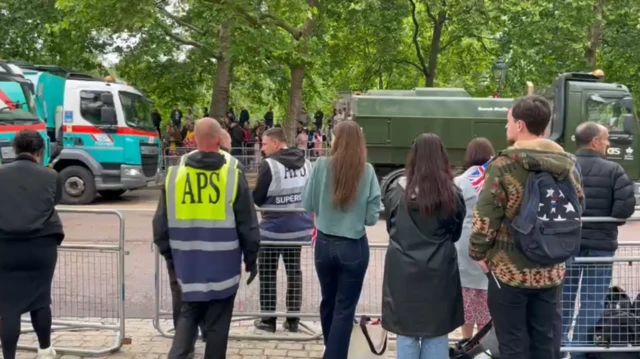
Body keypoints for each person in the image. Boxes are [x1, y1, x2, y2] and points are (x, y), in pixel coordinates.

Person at [469, 95, 584, 359]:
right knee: (546, 341)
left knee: (512, 342)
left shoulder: (504, 165)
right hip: (551, 270)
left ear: (520, 125)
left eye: (508, 121)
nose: (506, 126)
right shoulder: (568, 166)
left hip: (510, 271)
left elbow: (486, 215)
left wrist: (478, 252)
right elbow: (578, 207)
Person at [153, 117, 260, 359]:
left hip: (188, 266)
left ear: (194, 140)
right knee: (218, 326)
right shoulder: (232, 174)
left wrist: (171, 257)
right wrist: (252, 258)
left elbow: (159, 225)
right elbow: (248, 224)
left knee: (188, 315)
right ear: (219, 140)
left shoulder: (174, 176)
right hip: (224, 266)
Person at [382, 133, 466, 358]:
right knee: (436, 332)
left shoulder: (397, 192)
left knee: (406, 332)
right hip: (439, 271)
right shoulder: (452, 194)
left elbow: (391, 227)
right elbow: (455, 232)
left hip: (403, 271)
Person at [302, 120, 381, 359]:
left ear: (336, 140)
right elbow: (371, 218)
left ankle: (331, 348)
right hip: (353, 246)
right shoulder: (366, 170)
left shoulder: (321, 165)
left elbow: (308, 204)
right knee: (345, 308)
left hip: (324, 245)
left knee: (328, 301)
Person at [561, 122, 636, 358]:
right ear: (594, 142)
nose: (608, 143)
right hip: (601, 247)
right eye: (605, 139)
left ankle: (561, 346)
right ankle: (580, 351)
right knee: (593, 302)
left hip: (567, 245)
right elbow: (624, 207)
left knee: (564, 299)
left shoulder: (563, 168)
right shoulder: (614, 170)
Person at [0, 130, 64, 359]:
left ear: (15, 150)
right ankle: (46, 349)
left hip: (5, 248)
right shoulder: (52, 176)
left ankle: (8, 355)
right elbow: (54, 201)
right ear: (39, 152)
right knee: (40, 299)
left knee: (7, 306)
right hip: (41, 248)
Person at [252, 127, 314, 333]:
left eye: (265, 144)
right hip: (298, 229)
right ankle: (293, 320)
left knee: (268, 273)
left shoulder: (269, 165)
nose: (262, 148)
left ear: (277, 143)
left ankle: (268, 320)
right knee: (294, 271)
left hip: (273, 230)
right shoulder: (306, 163)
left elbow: (258, 198)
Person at [454, 137, 494, 341]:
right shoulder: (495, 178)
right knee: (488, 301)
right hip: (490, 244)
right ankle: (485, 346)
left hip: (464, 244)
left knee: (467, 300)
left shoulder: (459, 181)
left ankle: (466, 343)